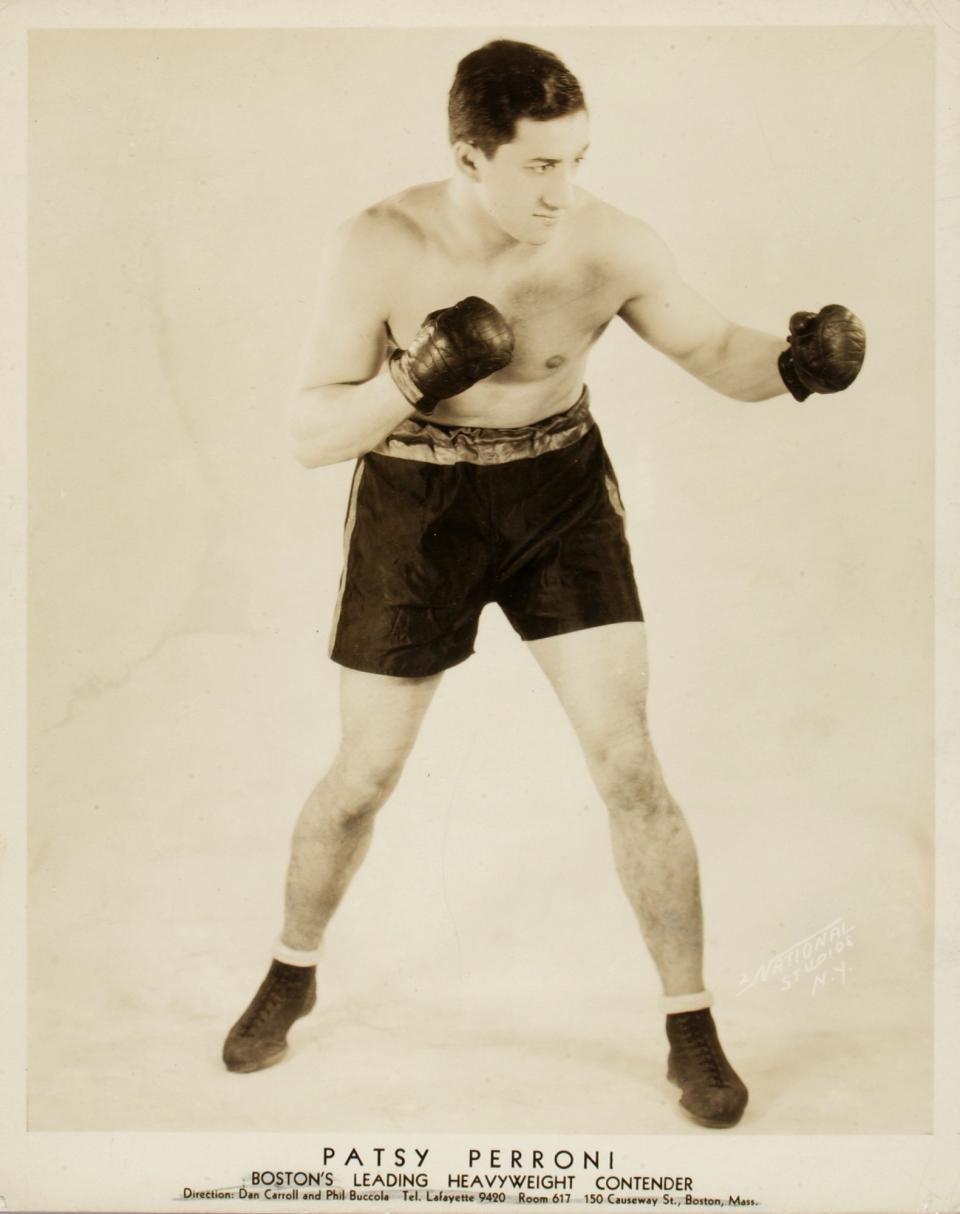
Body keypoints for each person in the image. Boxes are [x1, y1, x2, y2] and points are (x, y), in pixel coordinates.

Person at [222, 39, 865, 1129]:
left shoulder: (611, 244)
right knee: (366, 772)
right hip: (418, 506)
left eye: (576, 161)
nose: (563, 192)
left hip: (558, 497)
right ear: (470, 158)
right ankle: (293, 965)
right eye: (538, 168)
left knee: (628, 761)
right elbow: (306, 431)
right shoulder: (379, 246)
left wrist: (797, 364)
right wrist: (411, 376)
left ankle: (691, 1024)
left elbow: (712, 346)